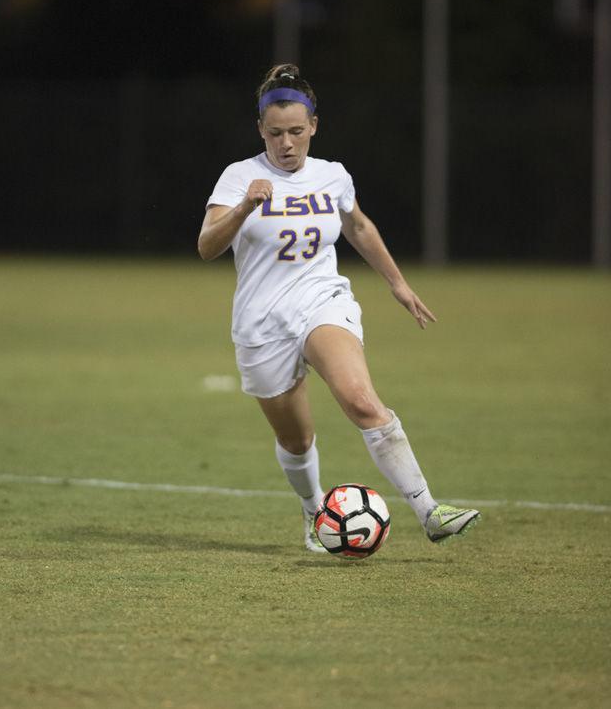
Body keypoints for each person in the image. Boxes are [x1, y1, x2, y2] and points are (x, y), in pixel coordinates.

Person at [198, 64, 480, 552]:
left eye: (296, 132)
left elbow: (359, 227)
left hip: (321, 300)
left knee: (361, 399)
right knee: (296, 439)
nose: (286, 144)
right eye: (275, 133)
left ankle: (429, 509)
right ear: (260, 130)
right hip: (262, 322)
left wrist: (398, 284)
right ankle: (313, 511)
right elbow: (206, 246)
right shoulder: (240, 177)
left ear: (314, 127)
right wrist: (245, 207)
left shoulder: (332, 175)